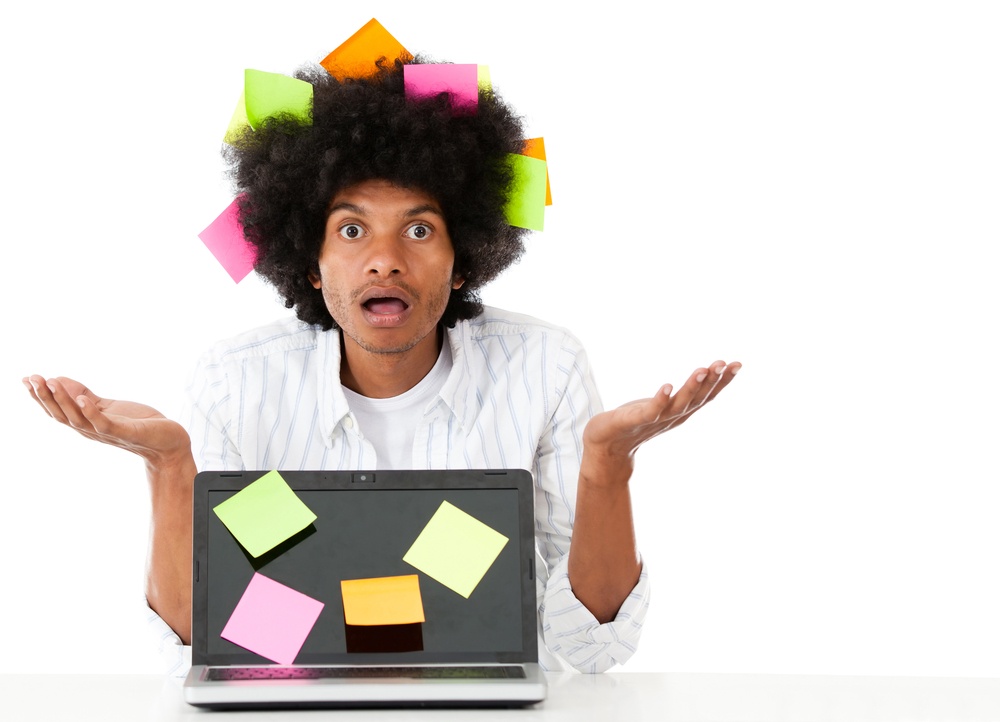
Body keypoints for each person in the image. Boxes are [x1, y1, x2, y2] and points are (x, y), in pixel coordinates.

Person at [23, 56, 740, 674]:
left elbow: (586, 650)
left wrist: (606, 465)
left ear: (466, 262)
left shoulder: (544, 367)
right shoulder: (235, 383)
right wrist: (171, 467)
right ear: (308, 260)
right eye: (352, 228)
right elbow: (207, 648)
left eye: (421, 229)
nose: (386, 259)